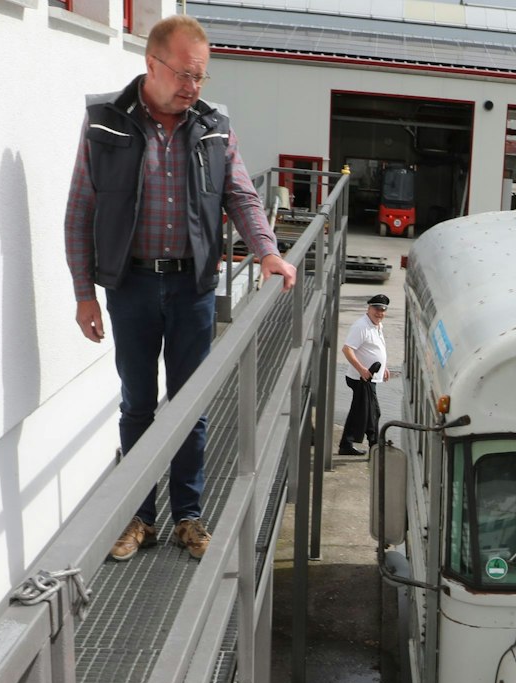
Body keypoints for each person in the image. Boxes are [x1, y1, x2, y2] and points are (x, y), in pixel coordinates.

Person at [64, 14, 298, 561]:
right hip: (132, 287)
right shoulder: (105, 122)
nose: (193, 87)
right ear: (152, 64)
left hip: (192, 286)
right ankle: (137, 517)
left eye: (201, 77)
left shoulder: (213, 125)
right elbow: (81, 210)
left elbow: (240, 195)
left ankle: (187, 516)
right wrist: (83, 293)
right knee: (138, 404)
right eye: (185, 75)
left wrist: (267, 252)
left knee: (191, 405)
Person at [339, 294, 394, 455]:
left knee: (359, 411)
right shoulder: (361, 326)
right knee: (373, 413)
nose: (380, 313)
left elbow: (375, 349)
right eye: (377, 309)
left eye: (383, 310)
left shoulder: (377, 325)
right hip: (362, 378)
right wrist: (362, 369)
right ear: (368, 308)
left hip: (370, 376)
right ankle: (374, 446)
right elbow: (347, 349)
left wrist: (384, 367)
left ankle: (346, 445)